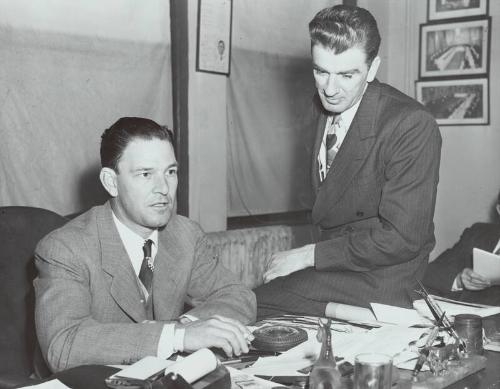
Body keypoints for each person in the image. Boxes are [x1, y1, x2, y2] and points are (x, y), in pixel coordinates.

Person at [255, 4, 442, 318]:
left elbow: (402, 239)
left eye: (346, 74)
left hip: (386, 278)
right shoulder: (321, 106)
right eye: (321, 71)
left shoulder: (411, 123)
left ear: (372, 68)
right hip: (341, 267)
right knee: (254, 306)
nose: (330, 89)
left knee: (257, 303)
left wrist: (310, 255)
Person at [34, 117, 256, 372]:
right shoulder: (65, 248)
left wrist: (186, 326)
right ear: (111, 182)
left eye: (170, 172)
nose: (163, 188)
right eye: (145, 174)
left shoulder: (185, 234)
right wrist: (178, 336)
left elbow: (239, 296)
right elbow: (63, 345)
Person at [423, 192, 500, 306]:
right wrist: (459, 280)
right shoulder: (478, 233)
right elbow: (430, 272)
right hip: (459, 317)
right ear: (499, 210)